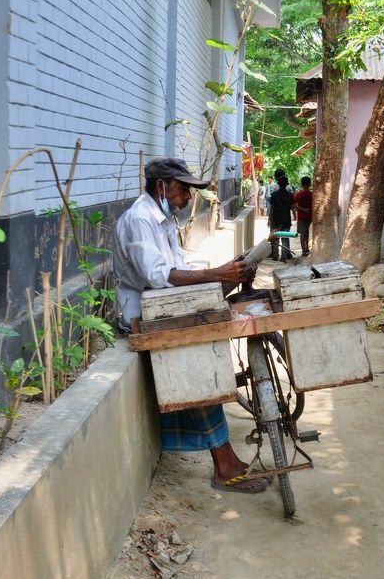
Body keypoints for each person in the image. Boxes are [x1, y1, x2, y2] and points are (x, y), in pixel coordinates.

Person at [113, 157, 268, 494]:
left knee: (206, 358)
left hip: (164, 307)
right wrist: (215, 276)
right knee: (198, 367)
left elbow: (178, 268)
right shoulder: (141, 219)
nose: (187, 197)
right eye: (183, 189)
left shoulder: (163, 219)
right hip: (142, 313)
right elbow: (158, 277)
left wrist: (221, 277)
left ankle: (226, 459)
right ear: (161, 187)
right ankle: (224, 465)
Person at [268, 174, 295, 261]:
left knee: (275, 238)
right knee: (285, 238)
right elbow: (292, 207)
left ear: (278, 184)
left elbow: (272, 208)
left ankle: (275, 254)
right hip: (286, 219)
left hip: (276, 219)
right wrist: (295, 217)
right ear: (287, 184)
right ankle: (284, 256)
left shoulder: (274, 195)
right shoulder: (290, 195)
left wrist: (269, 219)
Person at [293, 176, 313, 257]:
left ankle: (303, 251)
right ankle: (306, 248)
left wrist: (302, 209)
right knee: (306, 231)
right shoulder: (312, 194)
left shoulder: (298, 194)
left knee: (302, 233)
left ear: (301, 184)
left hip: (301, 216)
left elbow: (294, 205)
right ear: (310, 184)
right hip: (310, 217)